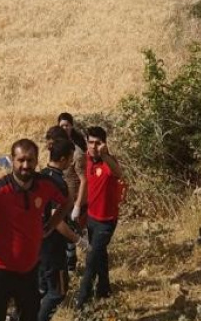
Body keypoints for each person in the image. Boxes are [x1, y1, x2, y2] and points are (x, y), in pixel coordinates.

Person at [0, 139, 71, 321]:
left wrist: (50, 226)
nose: (26, 165)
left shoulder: (46, 184)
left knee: (30, 315)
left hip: (29, 270)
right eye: (21, 160)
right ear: (12, 160)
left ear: (37, 161)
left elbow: (66, 202)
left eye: (30, 160)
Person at [38, 138, 89, 321]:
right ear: (64, 158)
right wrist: (78, 240)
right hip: (52, 247)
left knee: (42, 288)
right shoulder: (57, 183)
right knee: (57, 293)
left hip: (39, 245)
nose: (71, 162)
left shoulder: (41, 175)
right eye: (70, 158)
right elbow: (57, 221)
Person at [75, 126, 125, 310]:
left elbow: (118, 173)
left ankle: (82, 302)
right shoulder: (87, 159)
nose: (94, 147)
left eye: (98, 143)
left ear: (104, 144)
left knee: (91, 260)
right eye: (91, 142)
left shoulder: (109, 163)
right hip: (91, 218)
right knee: (100, 255)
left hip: (106, 221)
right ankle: (104, 289)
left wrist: (105, 155)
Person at [54, 115, 89, 267]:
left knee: (74, 234)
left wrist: (77, 205)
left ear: (72, 126)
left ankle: (80, 264)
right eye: (62, 126)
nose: (65, 128)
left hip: (73, 199)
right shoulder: (55, 150)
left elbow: (84, 180)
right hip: (60, 198)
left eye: (67, 125)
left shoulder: (77, 153)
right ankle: (70, 265)